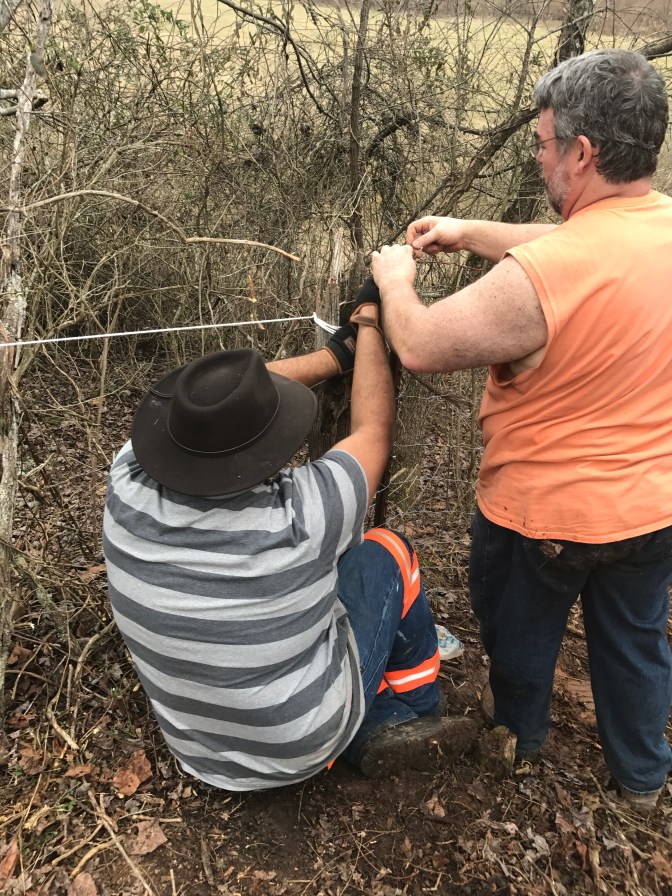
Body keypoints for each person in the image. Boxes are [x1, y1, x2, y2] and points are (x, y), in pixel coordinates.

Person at [370, 48, 672, 812]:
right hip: (652, 507)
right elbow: (584, 243)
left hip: (543, 518)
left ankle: (517, 739)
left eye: (542, 145)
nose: (538, 158)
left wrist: (394, 283)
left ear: (582, 151)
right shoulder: (659, 225)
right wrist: (471, 232)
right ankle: (642, 781)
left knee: (522, 636)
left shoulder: (547, 277)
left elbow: (422, 344)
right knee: (636, 643)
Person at [103, 285, 477, 792]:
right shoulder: (302, 513)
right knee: (388, 550)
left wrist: (330, 357)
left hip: (199, 753)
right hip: (302, 746)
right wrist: (367, 324)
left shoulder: (126, 480)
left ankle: (378, 708)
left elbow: (212, 409)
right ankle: (406, 710)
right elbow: (373, 432)